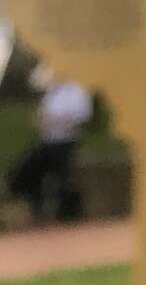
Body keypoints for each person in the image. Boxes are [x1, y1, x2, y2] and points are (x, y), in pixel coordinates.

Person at [6, 74, 92, 223]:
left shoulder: (77, 91)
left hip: (66, 143)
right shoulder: (53, 92)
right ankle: (37, 210)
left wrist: (53, 121)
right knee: (24, 172)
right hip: (47, 143)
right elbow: (39, 119)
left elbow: (78, 120)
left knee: (65, 181)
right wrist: (46, 122)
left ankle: (70, 217)